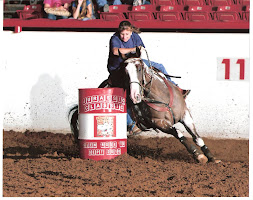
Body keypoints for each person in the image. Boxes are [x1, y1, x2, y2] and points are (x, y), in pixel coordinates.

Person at [107, 21, 190, 135]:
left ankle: (177, 88)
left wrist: (135, 50)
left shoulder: (135, 37)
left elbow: (141, 49)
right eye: (122, 34)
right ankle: (130, 123)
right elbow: (115, 51)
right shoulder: (114, 38)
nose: (124, 37)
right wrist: (133, 49)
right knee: (123, 95)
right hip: (119, 68)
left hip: (134, 62)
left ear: (131, 32)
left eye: (127, 34)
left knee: (160, 66)